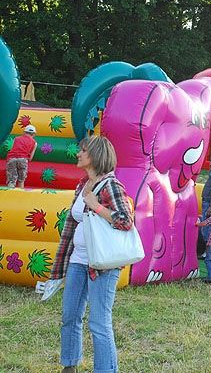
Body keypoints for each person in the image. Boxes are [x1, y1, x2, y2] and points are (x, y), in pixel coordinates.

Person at [48, 135, 134, 373]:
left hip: (102, 265)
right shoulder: (82, 185)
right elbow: (74, 223)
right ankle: (70, 365)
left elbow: (126, 220)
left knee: (99, 322)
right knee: (70, 315)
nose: (78, 154)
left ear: (95, 156)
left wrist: (96, 205)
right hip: (78, 260)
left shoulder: (111, 186)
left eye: (83, 150)